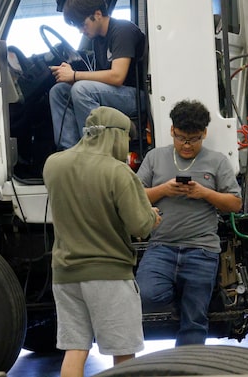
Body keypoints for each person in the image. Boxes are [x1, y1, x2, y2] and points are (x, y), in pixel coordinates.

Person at [44, 106, 161, 377]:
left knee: (75, 349)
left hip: (65, 274)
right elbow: (139, 226)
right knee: (123, 352)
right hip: (108, 275)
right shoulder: (118, 172)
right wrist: (152, 216)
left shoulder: (54, 164)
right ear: (116, 136)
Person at [135, 99, 243, 346]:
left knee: (195, 321)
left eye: (193, 139)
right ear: (172, 131)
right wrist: (163, 189)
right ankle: (184, 300)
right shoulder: (155, 158)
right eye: (181, 137)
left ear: (204, 133)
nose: (186, 145)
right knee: (146, 296)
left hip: (202, 250)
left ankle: (187, 369)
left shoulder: (217, 161)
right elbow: (134, 195)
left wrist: (204, 193)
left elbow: (235, 203)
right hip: (161, 246)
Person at [49, 0, 146, 149]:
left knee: (81, 89)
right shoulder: (98, 39)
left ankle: (96, 149)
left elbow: (117, 76)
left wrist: (74, 75)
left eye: (83, 24)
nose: (81, 30)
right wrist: (72, 77)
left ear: (98, 14)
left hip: (136, 97)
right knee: (59, 91)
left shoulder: (122, 31)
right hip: (115, 93)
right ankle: (71, 152)